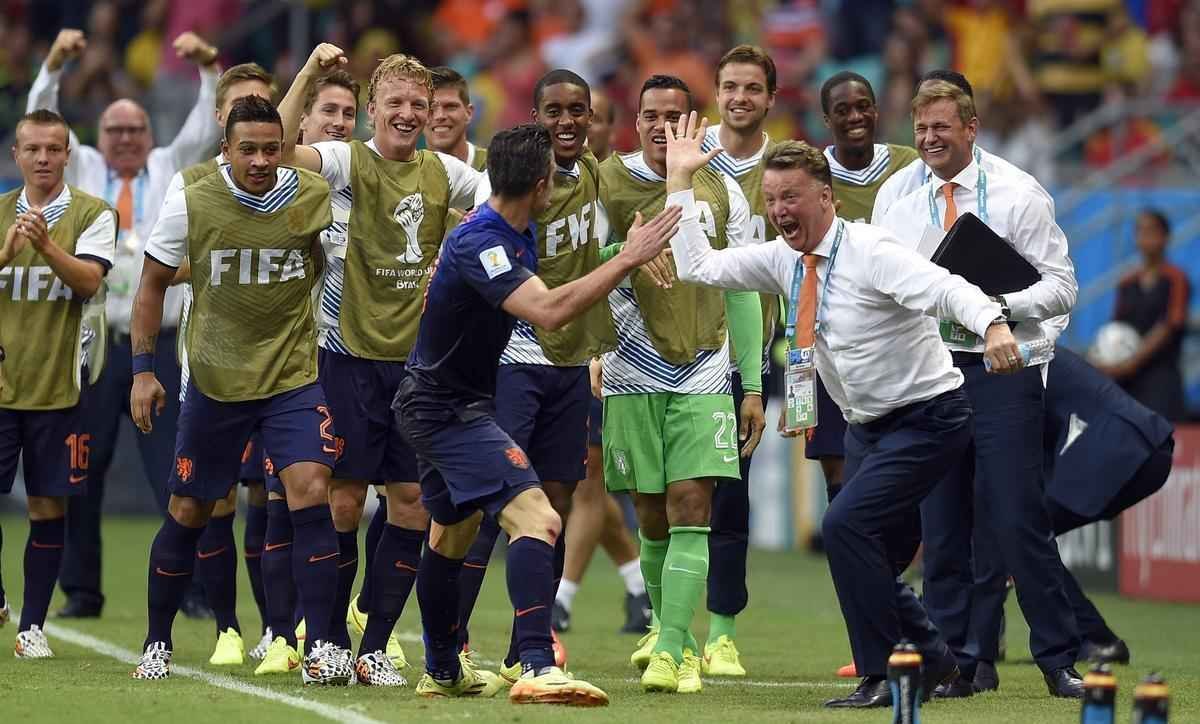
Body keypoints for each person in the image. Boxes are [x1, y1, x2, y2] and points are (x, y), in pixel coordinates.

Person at [663, 117, 1016, 709]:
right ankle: (931, 657)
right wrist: (677, 182)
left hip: (929, 417)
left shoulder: (873, 251)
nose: (779, 209)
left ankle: (881, 673)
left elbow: (946, 288)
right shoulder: (783, 258)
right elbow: (702, 267)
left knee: (845, 527)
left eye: (791, 197)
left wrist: (995, 324)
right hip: (867, 429)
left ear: (825, 196)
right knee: (868, 549)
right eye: (772, 199)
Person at [395, 122, 679, 705]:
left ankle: (443, 669)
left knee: (451, 534)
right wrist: (627, 259)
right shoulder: (485, 240)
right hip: (445, 407)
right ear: (543, 183)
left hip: (442, 400)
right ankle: (535, 663)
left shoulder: (516, 234)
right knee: (539, 518)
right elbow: (548, 311)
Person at [278, 44, 482, 686]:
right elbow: (280, 149)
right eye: (394, 102)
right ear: (372, 110)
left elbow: (518, 198)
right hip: (345, 358)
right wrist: (310, 71)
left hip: (417, 370)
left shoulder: (449, 174)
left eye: (417, 104)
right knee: (341, 504)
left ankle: (376, 647)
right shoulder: (346, 159)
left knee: (412, 504)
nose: (407, 113)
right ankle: (330, 641)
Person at [128, 95, 347, 685]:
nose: (259, 160)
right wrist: (143, 371)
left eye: (270, 149)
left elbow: (342, 260)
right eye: (246, 149)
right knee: (190, 508)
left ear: (285, 149)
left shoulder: (311, 197)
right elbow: (150, 285)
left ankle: (323, 644)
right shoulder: (192, 198)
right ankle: (157, 641)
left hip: (290, 375)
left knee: (310, 487)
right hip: (216, 379)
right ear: (225, 150)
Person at [879, 80, 1084, 699]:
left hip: (1001, 369)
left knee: (1017, 516)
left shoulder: (1019, 193)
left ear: (972, 128)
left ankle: (1057, 659)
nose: (929, 139)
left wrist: (995, 305)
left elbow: (1063, 286)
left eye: (942, 127)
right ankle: (961, 663)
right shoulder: (896, 195)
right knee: (940, 526)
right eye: (921, 129)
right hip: (929, 373)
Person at [26, 27, 222, 621]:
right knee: (79, 469)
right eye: (116, 129)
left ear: (149, 135)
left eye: (136, 129)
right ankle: (82, 592)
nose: (127, 139)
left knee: (174, 471)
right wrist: (54, 64)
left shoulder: (169, 165)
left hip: (159, 344)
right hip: (90, 345)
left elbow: (207, 125)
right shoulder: (80, 165)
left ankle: (186, 588)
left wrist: (208, 67)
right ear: (97, 137)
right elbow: (43, 118)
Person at [456, 69, 644, 677]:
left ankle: (525, 647)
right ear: (536, 117)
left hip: (569, 365)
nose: (566, 121)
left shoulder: (593, 172)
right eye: (554, 111)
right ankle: (452, 640)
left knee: (558, 501)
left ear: (592, 118)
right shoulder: (509, 184)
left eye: (577, 111)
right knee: (499, 504)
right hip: (515, 360)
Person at [595, 74, 763, 694]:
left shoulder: (724, 189)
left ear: (696, 122)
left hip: (704, 369)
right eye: (651, 116)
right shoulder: (606, 181)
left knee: (692, 505)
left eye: (675, 116)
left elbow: (742, 286)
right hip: (629, 367)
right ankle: (674, 634)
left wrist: (750, 383)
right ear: (634, 123)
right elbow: (578, 263)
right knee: (651, 515)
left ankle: (671, 649)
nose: (663, 127)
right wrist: (628, 249)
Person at [163, 62, 278, 669]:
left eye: (263, 105)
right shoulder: (192, 185)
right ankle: (227, 627)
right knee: (217, 501)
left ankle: (273, 629)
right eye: (241, 107)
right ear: (222, 120)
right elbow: (166, 265)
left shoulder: (290, 184)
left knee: (272, 493)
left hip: (284, 364)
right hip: (210, 366)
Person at [251, 67, 363, 677]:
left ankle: (323, 631)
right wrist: (304, 79)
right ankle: (278, 633)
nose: (340, 123)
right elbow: (278, 137)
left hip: (355, 360)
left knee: (332, 502)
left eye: (349, 113)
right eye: (329, 111)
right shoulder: (286, 184)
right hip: (294, 360)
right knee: (280, 500)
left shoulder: (366, 183)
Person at [816, 68, 921, 679]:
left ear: (877, 111)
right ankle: (870, 634)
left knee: (899, 501)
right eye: (843, 110)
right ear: (827, 119)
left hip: (901, 347)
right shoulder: (811, 169)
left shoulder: (906, 165)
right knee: (846, 492)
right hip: (832, 352)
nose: (856, 116)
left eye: (864, 107)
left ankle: (893, 609)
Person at [0, 109, 117, 658]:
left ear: (69, 154)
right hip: (1, 385)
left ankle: (33, 628)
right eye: (33, 149)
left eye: (54, 148)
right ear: (16, 155)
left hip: (58, 388)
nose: (43, 158)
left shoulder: (95, 214)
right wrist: (5, 252)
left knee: (49, 509)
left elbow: (90, 283)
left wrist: (45, 246)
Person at [682, 44, 782, 676]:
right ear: (716, 93)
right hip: (676, 349)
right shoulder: (690, 160)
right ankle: (670, 631)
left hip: (750, 352)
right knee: (668, 495)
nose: (740, 97)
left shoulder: (789, 165)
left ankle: (721, 633)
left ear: (770, 97)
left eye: (752, 87)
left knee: (730, 497)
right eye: (729, 86)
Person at [1103, 209, 1190, 421]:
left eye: (1152, 231)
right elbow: (1116, 328)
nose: (1145, 237)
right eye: (1140, 231)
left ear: (1166, 237)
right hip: (1128, 379)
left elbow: (1170, 324)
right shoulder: (1127, 282)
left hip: (1162, 377)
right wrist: (1108, 362)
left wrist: (1133, 361)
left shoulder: (1176, 279)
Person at [425, 66, 488, 171]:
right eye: (430, 107)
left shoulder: (496, 168)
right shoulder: (406, 177)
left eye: (450, 107)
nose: (440, 116)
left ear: (469, 113)